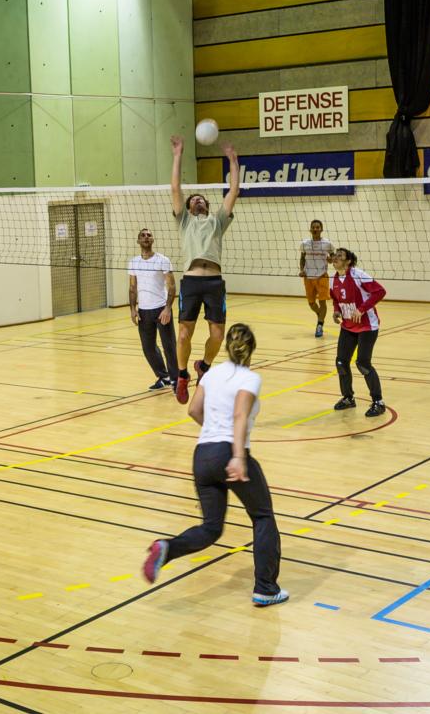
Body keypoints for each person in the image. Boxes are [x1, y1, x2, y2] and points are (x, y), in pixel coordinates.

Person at [142, 323, 287, 607]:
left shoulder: (211, 375)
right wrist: (237, 456)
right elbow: (239, 415)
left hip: (203, 455)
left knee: (211, 528)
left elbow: (194, 410)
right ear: (250, 351)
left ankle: (167, 548)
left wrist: (213, 433)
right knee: (262, 516)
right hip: (229, 453)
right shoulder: (249, 378)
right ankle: (266, 588)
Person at [170, 135, 241, 404]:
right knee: (184, 333)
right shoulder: (185, 222)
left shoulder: (217, 222)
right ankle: (182, 375)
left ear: (207, 206)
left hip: (214, 283)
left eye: (202, 199)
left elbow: (233, 191)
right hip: (190, 281)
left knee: (217, 335)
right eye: (194, 199)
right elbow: (175, 188)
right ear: (188, 207)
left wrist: (233, 161)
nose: (198, 201)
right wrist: (178, 154)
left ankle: (205, 367)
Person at [330, 248, 387, 417]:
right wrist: (336, 311)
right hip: (348, 326)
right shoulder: (332, 279)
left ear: (348, 261)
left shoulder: (358, 274)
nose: (335, 258)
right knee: (341, 362)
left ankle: (378, 402)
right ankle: (348, 398)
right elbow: (335, 298)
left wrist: (361, 309)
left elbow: (380, 291)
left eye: (340, 256)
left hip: (367, 326)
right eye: (335, 255)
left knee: (362, 363)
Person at [129, 229, 178, 390]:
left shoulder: (162, 260)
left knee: (169, 346)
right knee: (148, 348)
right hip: (144, 311)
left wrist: (168, 309)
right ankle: (163, 376)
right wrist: (133, 309)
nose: (146, 237)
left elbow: (172, 286)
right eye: (143, 235)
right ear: (138, 241)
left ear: (153, 239)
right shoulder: (134, 262)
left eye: (149, 235)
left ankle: (176, 379)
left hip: (160, 309)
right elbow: (132, 287)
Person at [298, 219, 334, 338]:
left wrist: (331, 260)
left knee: (322, 302)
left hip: (322, 276)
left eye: (318, 227)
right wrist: (302, 270)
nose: (315, 229)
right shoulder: (305, 243)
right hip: (308, 276)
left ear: (321, 229)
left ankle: (319, 325)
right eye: (313, 227)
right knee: (311, 303)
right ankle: (320, 315)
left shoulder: (327, 243)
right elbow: (302, 258)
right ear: (310, 229)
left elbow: (333, 258)